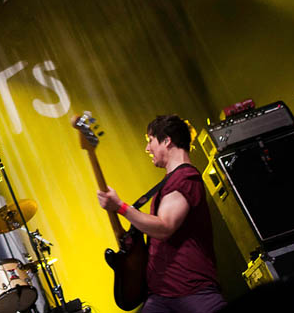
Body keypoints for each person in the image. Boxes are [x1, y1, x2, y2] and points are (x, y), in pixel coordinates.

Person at [97, 115, 226, 313]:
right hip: (161, 294)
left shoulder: (186, 178)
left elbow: (165, 227)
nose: (147, 149)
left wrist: (121, 207)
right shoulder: (170, 182)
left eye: (150, 141)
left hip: (192, 292)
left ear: (167, 140)